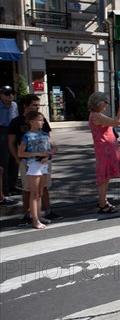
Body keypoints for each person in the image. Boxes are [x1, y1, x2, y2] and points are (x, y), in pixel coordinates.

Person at [8, 94, 62, 224]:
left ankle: (47, 211)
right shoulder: (16, 122)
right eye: (34, 105)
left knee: (43, 187)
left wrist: (48, 155)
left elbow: (49, 141)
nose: (37, 108)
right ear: (26, 106)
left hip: (43, 161)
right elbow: (11, 142)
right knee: (28, 189)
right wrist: (17, 158)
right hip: (28, 161)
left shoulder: (41, 121)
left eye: (38, 105)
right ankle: (28, 214)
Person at [88, 92, 120, 213]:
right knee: (103, 177)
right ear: (99, 103)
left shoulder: (97, 115)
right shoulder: (97, 116)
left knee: (105, 176)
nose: (106, 105)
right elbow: (118, 122)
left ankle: (103, 201)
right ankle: (102, 203)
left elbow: (114, 121)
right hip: (105, 148)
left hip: (106, 147)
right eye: (105, 102)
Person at [17, 111, 57, 229]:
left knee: (40, 192)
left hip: (44, 165)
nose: (42, 122)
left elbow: (55, 147)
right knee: (34, 193)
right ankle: (35, 220)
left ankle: (38, 217)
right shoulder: (27, 136)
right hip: (33, 166)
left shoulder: (44, 135)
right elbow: (20, 152)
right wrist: (37, 154)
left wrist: (48, 155)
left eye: (42, 120)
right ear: (31, 122)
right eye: (40, 120)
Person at [0, 86, 18, 198]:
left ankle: (13, 185)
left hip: (13, 132)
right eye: (7, 93)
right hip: (1, 131)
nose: (10, 95)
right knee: (4, 160)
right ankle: (4, 189)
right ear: (1, 95)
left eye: (12, 93)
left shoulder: (14, 105)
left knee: (15, 158)